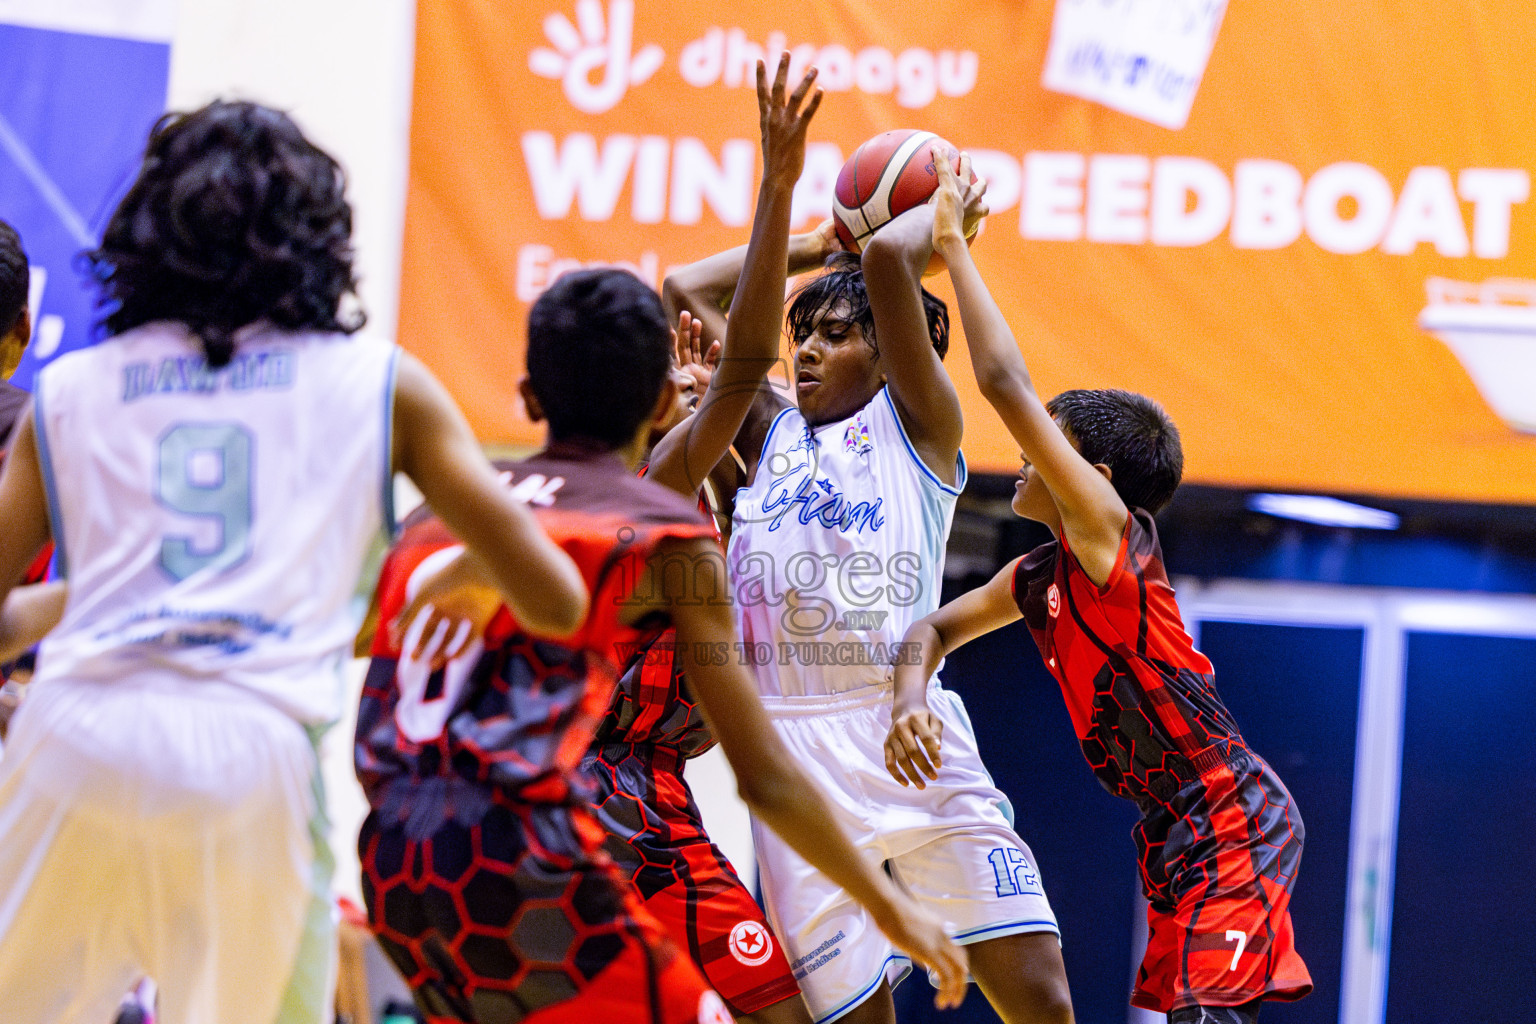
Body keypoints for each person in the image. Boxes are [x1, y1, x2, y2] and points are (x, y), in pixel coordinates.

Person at [354, 113, 969, 1020]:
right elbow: (762, 776)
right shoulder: (651, 527)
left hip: (400, 850)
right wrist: (892, 910)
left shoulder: (439, 521)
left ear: (525, 398)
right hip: (568, 822)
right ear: (658, 399)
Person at [0, 100, 589, 1024]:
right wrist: (463, 576)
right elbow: (557, 597)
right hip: (250, 753)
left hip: (72, 739)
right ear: (319, 235)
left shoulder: (68, 391)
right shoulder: (381, 381)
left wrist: (101, 600)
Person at [887, 151, 1313, 1024]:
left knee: (1202, 1016)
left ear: (1095, 475)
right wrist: (906, 700)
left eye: (1052, 440)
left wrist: (954, 248)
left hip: (1231, 814)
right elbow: (927, 635)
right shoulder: (1039, 575)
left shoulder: (1112, 538)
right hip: (1172, 829)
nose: (1024, 450)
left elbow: (1004, 386)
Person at [680, 151, 1073, 1023]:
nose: (809, 351)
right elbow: (684, 291)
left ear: (895, 356)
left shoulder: (920, 430)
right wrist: (820, 244)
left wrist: (934, 226)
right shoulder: (774, 429)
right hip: (790, 751)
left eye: (836, 334)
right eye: (802, 336)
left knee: (1041, 1001)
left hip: (906, 730)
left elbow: (893, 261)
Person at [581, 58, 843, 1023]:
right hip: (608, 786)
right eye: (676, 401)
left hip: (670, 791)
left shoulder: (770, 491)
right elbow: (710, 327)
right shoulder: (648, 502)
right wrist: (800, 214)